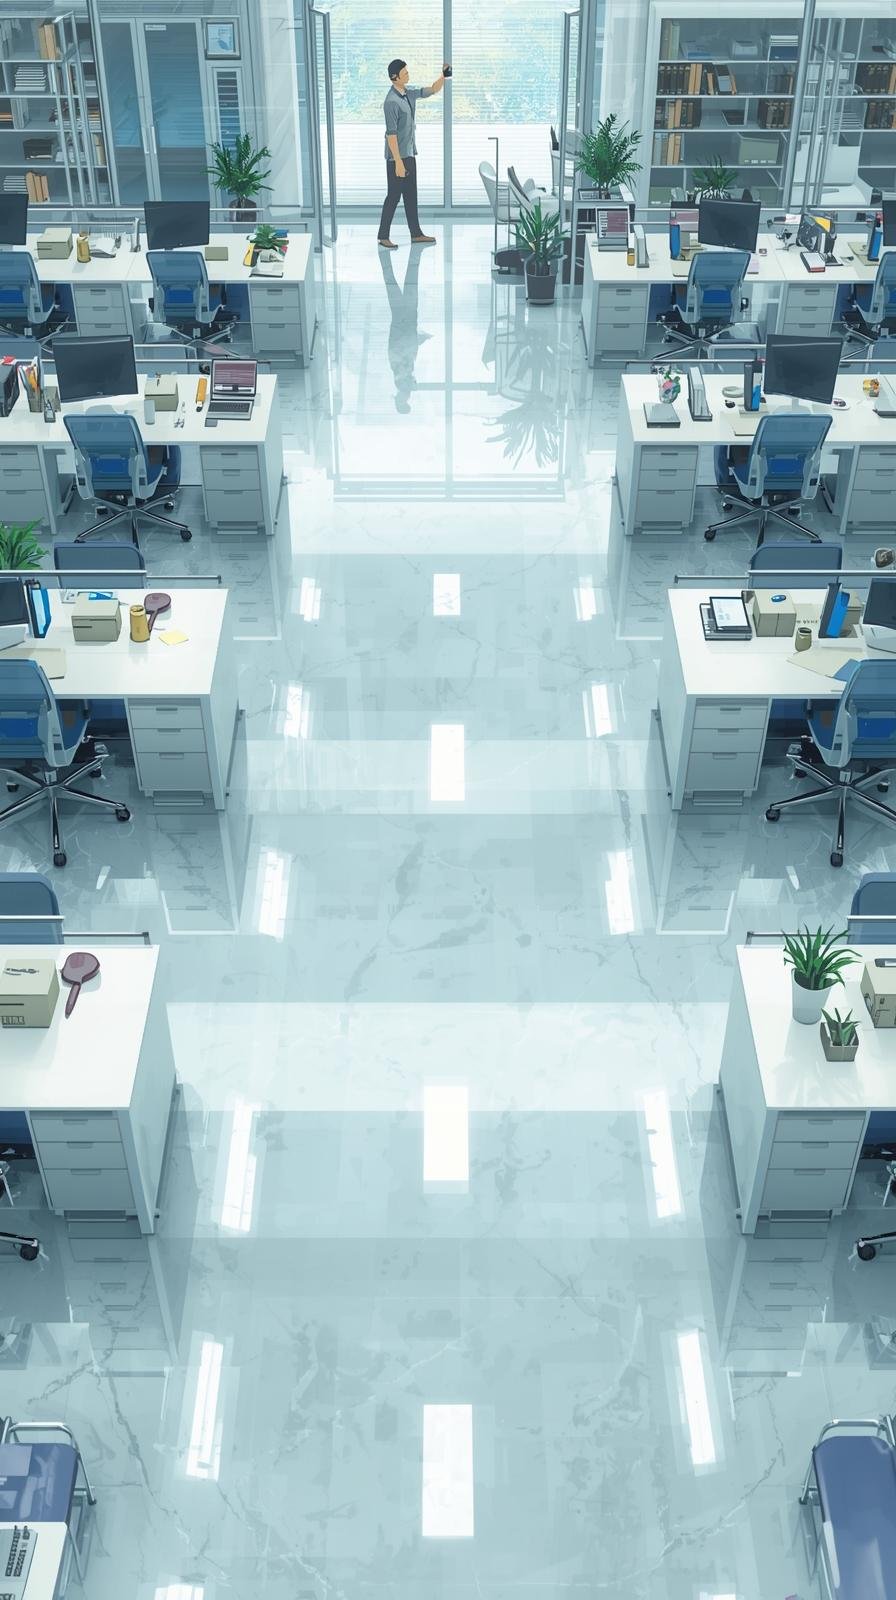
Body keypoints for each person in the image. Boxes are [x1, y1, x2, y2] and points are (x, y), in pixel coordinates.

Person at [378, 57, 450, 250]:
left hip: (409, 153)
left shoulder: (408, 94)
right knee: (393, 196)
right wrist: (399, 162)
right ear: (395, 77)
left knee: (411, 195)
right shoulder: (391, 102)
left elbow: (432, 90)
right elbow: (390, 135)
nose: (408, 74)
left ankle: (416, 234)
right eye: (405, 73)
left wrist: (444, 75)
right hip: (396, 158)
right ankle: (383, 236)